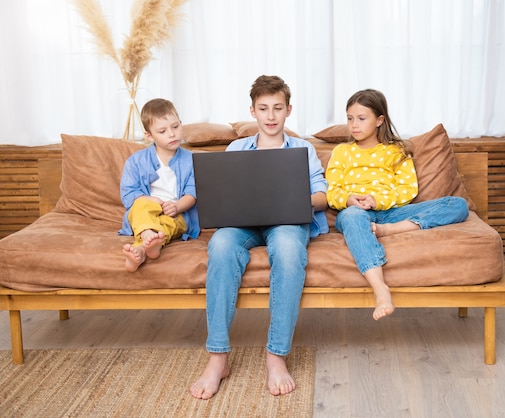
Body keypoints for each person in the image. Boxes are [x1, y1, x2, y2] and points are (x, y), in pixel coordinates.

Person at [189, 75, 329, 399]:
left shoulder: (303, 150)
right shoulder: (236, 148)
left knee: (289, 249)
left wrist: (295, 199)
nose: (270, 116)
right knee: (221, 245)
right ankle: (217, 358)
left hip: (287, 221)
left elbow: (322, 197)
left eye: (277, 108)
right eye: (263, 108)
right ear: (252, 111)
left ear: (288, 110)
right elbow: (222, 194)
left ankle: (276, 357)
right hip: (243, 223)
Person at [325, 89, 469, 321]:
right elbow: (332, 190)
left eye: (362, 119)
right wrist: (350, 200)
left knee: (458, 204)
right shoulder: (342, 152)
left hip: (391, 214)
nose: (354, 125)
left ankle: (390, 230)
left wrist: (377, 200)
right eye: (350, 118)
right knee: (351, 216)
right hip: (356, 214)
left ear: (379, 120)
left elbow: (407, 190)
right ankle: (380, 288)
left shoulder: (396, 151)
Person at [119, 98, 200, 272]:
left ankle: (141, 249)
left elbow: (193, 192)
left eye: (175, 127)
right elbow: (128, 195)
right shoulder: (136, 161)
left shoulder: (191, 160)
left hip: (175, 213)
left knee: (170, 222)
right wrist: (150, 200)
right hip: (146, 209)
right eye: (162, 131)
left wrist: (177, 206)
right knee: (141, 205)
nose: (172, 134)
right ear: (149, 135)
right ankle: (150, 238)